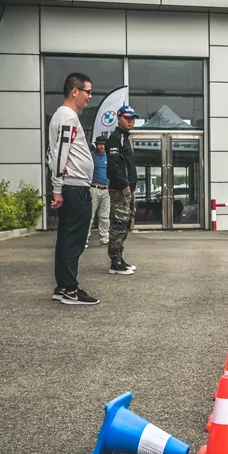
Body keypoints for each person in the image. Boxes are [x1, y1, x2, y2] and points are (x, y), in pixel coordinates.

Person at [47, 73, 99, 305]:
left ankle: (63, 287)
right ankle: (69, 289)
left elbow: (56, 152)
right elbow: (60, 153)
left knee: (66, 237)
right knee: (74, 239)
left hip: (71, 185)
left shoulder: (62, 116)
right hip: (74, 187)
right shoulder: (68, 117)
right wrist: (57, 187)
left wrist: (58, 187)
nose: (90, 97)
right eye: (88, 92)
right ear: (75, 91)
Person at [105, 105, 139, 275]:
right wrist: (124, 184)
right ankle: (115, 262)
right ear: (119, 118)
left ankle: (119, 258)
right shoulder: (115, 138)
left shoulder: (126, 138)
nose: (131, 121)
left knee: (125, 224)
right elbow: (113, 166)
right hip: (120, 190)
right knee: (118, 224)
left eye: (132, 118)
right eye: (127, 118)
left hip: (129, 190)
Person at [87, 135, 110, 248]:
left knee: (105, 216)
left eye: (103, 144)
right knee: (89, 216)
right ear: (96, 145)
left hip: (106, 189)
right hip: (94, 188)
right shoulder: (91, 157)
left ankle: (104, 238)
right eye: (99, 144)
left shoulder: (109, 157)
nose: (101, 146)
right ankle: (85, 239)